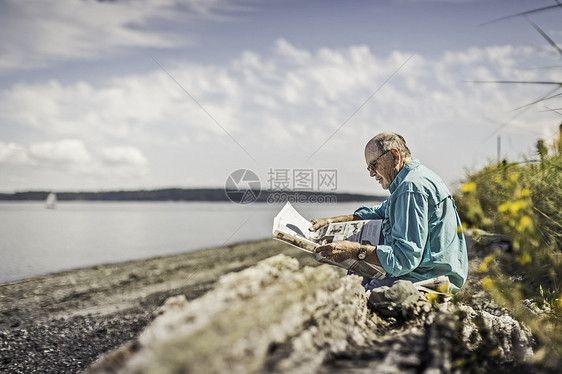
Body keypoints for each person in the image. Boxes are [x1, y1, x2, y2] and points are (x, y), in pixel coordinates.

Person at [309, 132, 468, 292]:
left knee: (358, 292)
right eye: (368, 168)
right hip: (437, 270)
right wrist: (331, 222)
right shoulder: (414, 179)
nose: (371, 173)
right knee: (356, 276)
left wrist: (355, 250)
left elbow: (404, 258)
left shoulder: (410, 188)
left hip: (429, 276)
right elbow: (379, 212)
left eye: (374, 165)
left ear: (395, 156)